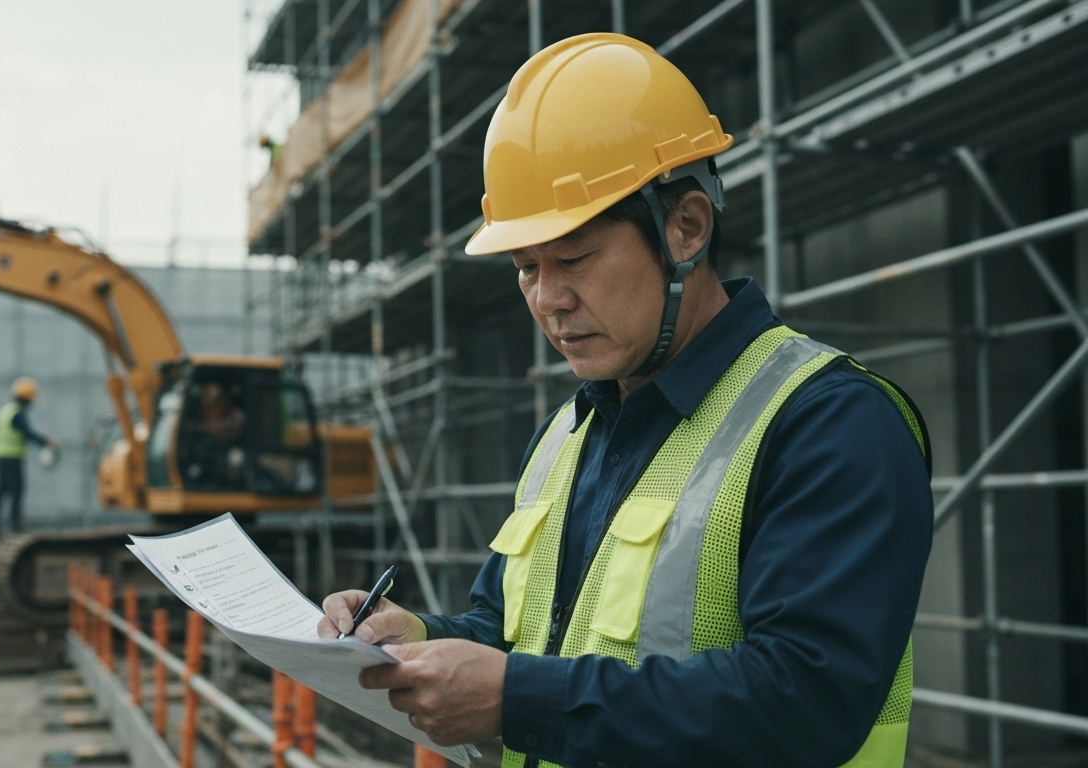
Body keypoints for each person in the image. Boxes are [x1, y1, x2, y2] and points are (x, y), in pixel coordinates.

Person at [317, 33, 933, 768]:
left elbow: (809, 698)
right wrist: (416, 639)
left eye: (573, 258)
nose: (548, 299)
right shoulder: (565, 435)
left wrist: (518, 700)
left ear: (687, 228)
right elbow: (520, 637)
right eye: (525, 268)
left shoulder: (828, 422)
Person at [0, 376, 57, 537]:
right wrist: (46, 442)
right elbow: (27, 433)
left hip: (0, 455)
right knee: (17, 490)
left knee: (2, 488)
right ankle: (16, 525)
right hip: (12, 457)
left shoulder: (5, 411)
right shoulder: (17, 414)